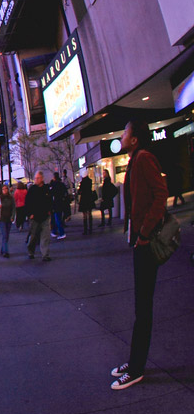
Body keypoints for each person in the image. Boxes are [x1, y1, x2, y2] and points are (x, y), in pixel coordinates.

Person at [108, 119, 168, 390]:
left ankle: (136, 369)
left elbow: (160, 194)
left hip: (146, 242)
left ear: (134, 139)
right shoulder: (135, 159)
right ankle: (134, 362)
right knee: (140, 306)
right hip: (139, 241)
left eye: (125, 132)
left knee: (143, 307)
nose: (122, 135)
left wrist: (144, 233)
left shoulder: (144, 158)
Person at [25, 171, 54, 261]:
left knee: (45, 236)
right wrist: (30, 214)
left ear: (42, 178)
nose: (36, 180)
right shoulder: (32, 190)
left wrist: (50, 211)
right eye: (35, 178)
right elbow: (27, 203)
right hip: (35, 217)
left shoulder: (46, 189)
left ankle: (45, 254)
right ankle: (31, 251)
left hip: (45, 216)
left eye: (38, 178)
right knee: (33, 236)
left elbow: (50, 201)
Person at [0, 184, 15, 257]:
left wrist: (13, 216)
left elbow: (13, 208)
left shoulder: (11, 198)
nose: (5, 190)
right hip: (2, 218)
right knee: (4, 235)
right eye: (3, 189)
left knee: (7, 235)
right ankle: (5, 252)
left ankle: (3, 249)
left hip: (8, 218)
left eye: (6, 189)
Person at [49, 172, 68, 240]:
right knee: (57, 218)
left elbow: (50, 194)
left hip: (55, 203)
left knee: (56, 219)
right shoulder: (61, 184)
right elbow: (65, 193)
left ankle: (61, 233)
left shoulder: (53, 185)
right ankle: (55, 231)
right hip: (61, 203)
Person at [78, 170, 96, 235]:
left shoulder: (82, 182)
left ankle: (85, 230)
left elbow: (80, 191)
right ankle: (90, 228)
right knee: (90, 213)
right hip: (89, 198)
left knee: (85, 215)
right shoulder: (90, 181)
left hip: (84, 199)